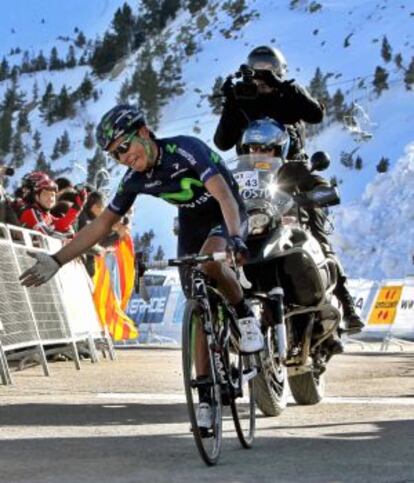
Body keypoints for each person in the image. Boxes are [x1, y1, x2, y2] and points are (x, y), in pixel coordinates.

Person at [19, 104, 264, 429]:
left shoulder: (186, 150)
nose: (123, 157)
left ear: (145, 133)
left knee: (211, 263)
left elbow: (223, 197)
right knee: (197, 308)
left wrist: (235, 238)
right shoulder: (134, 178)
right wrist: (57, 260)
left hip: (226, 213)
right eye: (115, 155)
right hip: (190, 224)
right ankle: (206, 396)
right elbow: (102, 224)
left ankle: (244, 314)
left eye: (125, 146)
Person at [240, 118, 364, 339]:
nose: (258, 153)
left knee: (322, 246)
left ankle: (347, 307)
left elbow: (322, 186)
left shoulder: (294, 170)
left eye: (265, 149)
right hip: (255, 232)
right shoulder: (240, 176)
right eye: (253, 148)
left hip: (292, 230)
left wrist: (315, 195)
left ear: (279, 149)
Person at [214, 45, 324, 160]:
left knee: (315, 179)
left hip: (292, 169)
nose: (262, 75)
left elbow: (316, 116)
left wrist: (285, 87)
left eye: (268, 69)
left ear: (278, 71)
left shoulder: (290, 94)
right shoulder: (244, 100)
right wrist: (230, 105)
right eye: (257, 69)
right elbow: (223, 144)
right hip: (250, 171)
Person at [19, 172, 86, 237]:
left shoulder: (45, 214)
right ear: (36, 196)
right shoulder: (31, 212)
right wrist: (66, 238)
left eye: (53, 195)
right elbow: (46, 234)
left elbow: (60, 225)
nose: (50, 198)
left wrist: (77, 207)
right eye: (46, 194)